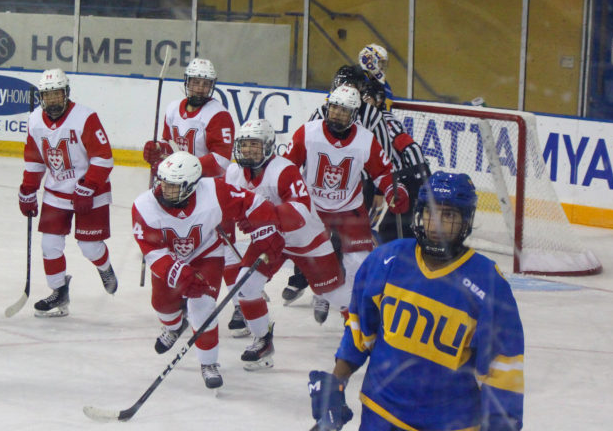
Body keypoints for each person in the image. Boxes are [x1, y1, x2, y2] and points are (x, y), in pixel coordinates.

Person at [308, 171, 524, 431]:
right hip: (380, 413)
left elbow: (502, 369)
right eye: (431, 214)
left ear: (466, 221)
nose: (437, 225)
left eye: (449, 216)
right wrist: (337, 383)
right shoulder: (386, 261)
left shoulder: (488, 284)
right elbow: (359, 332)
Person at [131, 151, 284, 389]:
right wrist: (179, 274)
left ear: (191, 186)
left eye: (173, 186)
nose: (164, 189)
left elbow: (250, 202)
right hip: (169, 259)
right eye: (163, 182)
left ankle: (208, 363)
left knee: (201, 306)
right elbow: (151, 250)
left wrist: (267, 228)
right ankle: (173, 326)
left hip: (206, 254)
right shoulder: (144, 206)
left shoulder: (214, 191)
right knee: (162, 304)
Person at [223, 119, 352, 370]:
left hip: (306, 239)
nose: (248, 150)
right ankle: (263, 341)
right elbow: (227, 203)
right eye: (245, 145)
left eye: (254, 145)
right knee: (246, 286)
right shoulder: (234, 172)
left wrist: (262, 217)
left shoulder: (284, 170)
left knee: (333, 293)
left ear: (269, 146)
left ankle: (364, 333)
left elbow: (301, 211)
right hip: (270, 240)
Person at [283, 86, 409, 324]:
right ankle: (323, 292)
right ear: (327, 108)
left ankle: (355, 312)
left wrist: (394, 190)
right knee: (314, 258)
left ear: (354, 114)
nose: (338, 114)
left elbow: (382, 172)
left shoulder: (365, 139)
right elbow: (287, 168)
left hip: (350, 210)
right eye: (335, 108)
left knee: (359, 263)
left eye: (344, 110)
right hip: (313, 209)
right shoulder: (307, 133)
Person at [141, 58, 244, 334]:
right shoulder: (173, 108)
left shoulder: (218, 115)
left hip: (210, 193)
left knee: (227, 250)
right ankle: (186, 297)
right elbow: (166, 144)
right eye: (195, 82)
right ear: (186, 83)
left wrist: (188, 168)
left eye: (205, 83)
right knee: (182, 246)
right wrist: (155, 152)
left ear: (212, 86)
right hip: (178, 191)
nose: (200, 88)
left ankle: (241, 306)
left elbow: (221, 160)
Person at [18, 68, 118, 317]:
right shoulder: (34, 121)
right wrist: (28, 189)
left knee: (89, 246)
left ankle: (104, 267)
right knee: (50, 246)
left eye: (57, 95)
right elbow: (34, 161)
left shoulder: (85, 117)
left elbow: (104, 158)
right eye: (47, 96)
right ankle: (59, 293)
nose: (52, 101)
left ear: (67, 93)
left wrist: (88, 185)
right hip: (56, 192)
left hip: (91, 192)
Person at [360, 77, 430, 244]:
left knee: (393, 232)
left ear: (377, 100)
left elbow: (409, 147)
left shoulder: (383, 119)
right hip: (400, 181)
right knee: (389, 230)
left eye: (367, 97)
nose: (363, 100)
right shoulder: (368, 120)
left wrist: (423, 182)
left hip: (409, 180)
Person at [358, 43, 394, 108]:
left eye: (384, 63)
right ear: (369, 61)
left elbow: (387, 110)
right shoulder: (355, 80)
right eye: (381, 62)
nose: (383, 66)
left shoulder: (384, 85)